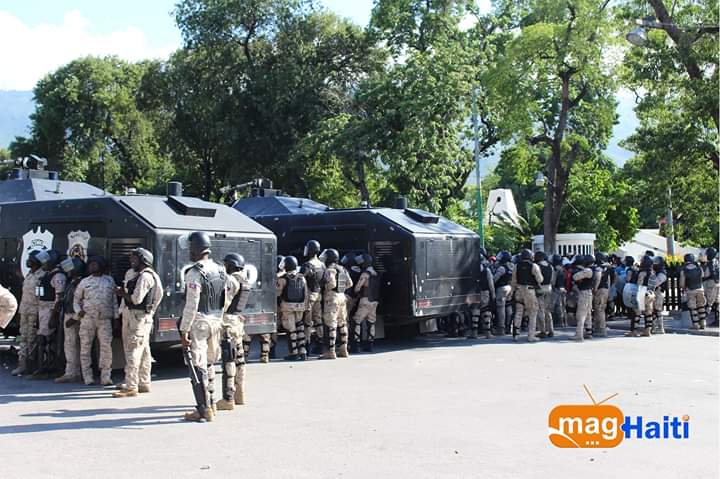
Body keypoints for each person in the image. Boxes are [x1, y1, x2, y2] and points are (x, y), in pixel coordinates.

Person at [179, 232, 227, 422]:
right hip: (216, 320)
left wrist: (184, 330)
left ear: (195, 249)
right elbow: (224, 299)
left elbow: (192, 304)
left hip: (199, 322)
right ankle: (212, 403)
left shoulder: (194, 272)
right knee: (209, 363)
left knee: (197, 366)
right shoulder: (220, 269)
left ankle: (203, 408)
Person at [113, 248, 163, 398]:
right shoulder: (148, 275)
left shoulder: (145, 277)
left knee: (132, 350)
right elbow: (159, 295)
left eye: (134, 259)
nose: (131, 262)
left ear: (143, 260)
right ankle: (143, 382)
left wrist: (122, 293)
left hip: (137, 317)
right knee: (144, 350)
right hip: (139, 317)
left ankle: (131, 386)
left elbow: (136, 299)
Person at [74, 256, 117, 386]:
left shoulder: (109, 281)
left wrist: (116, 318)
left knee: (106, 348)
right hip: (88, 319)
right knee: (85, 348)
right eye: (91, 264)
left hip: (104, 320)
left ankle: (106, 376)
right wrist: (78, 312)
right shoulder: (84, 282)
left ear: (101, 266)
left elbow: (114, 301)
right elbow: (76, 300)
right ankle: (87, 376)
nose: (92, 266)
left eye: (95, 264)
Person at [217, 253, 251, 410]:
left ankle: (228, 398)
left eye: (226, 264)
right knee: (240, 360)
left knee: (228, 360)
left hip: (228, 323)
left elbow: (224, 303)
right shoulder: (245, 280)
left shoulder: (231, 280)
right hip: (237, 323)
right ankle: (240, 393)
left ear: (231, 265)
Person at [31, 250, 67, 379]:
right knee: (42, 337)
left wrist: (54, 315)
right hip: (42, 309)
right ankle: (42, 366)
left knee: (47, 339)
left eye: (45, 262)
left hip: (50, 310)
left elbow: (59, 298)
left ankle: (49, 367)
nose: (43, 264)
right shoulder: (47, 275)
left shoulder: (58, 276)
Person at [54, 258, 86, 384]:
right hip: (69, 314)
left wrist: (74, 319)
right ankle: (75, 371)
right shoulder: (73, 282)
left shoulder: (80, 283)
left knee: (72, 345)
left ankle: (72, 373)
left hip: (74, 317)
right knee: (71, 345)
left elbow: (82, 304)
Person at [11, 251, 42, 376]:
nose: (28, 261)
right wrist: (20, 313)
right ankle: (22, 365)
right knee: (23, 338)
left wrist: (40, 315)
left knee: (32, 339)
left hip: (34, 312)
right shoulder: (29, 275)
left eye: (31, 259)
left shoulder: (41, 276)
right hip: (25, 311)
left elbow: (41, 298)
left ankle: (31, 366)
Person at [319, 249, 352, 359]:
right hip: (342, 296)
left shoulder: (330, 270)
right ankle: (344, 349)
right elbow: (350, 283)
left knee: (331, 324)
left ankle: (331, 351)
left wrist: (325, 287)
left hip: (332, 297)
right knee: (342, 323)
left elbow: (332, 284)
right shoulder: (343, 269)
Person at [276, 255, 308, 361]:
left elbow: (277, 293)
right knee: (300, 329)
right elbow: (305, 293)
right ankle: (303, 352)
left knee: (291, 330)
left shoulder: (283, 279)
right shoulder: (302, 277)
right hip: (300, 307)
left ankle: (293, 353)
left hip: (287, 307)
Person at [511, 249, 544, 342]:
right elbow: (540, 279)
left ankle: (516, 334)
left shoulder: (516, 266)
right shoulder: (534, 266)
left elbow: (513, 281)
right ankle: (531, 335)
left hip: (519, 290)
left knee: (518, 312)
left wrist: (513, 291)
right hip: (530, 291)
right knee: (532, 312)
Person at [300, 240, 325, 355]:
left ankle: (307, 346)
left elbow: (299, 280)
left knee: (307, 322)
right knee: (318, 320)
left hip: (309, 296)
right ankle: (320, 345)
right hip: (318, 294)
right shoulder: (322, 265)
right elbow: (325, 280)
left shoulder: (307, 265)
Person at [352, 253, 380, 351]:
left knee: (357, 321)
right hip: (374, 301)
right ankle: (370, 345)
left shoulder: (365, 274)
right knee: (371, 322)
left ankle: (356, 345)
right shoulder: (376, 273)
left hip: (365, 300)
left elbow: (357, 288)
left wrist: (355, 293)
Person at [468, 251, 495, 339]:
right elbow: (491, 284)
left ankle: (474, 333)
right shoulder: (487, 270)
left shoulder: (471, 270)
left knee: (475, 312)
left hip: (474, 292)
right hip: (485, 292)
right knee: (486, 312)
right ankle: (488, 333)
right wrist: (493, 295)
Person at [679, 253, 706, 330]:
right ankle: (703, 323)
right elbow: (702, 276)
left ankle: (696, 324)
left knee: (693, 307)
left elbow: (682, 284)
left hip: (690, 290)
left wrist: (683, 288)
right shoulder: (699, 267)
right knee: (701, 306)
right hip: (700, 289)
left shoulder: (684, 269)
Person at [572, 255, 595, 342]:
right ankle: (588, 332)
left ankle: (579, 335)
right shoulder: (592, 269)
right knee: (588, 313)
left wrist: (579, 270)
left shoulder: (588, 270)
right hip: (588, 293)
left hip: (584, 293)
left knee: (581, 314)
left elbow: (575, 277)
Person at [592, 252, 614, 337]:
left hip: (600, 290)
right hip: (605, 290)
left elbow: (598, 277)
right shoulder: (608, 268)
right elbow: (610, 279)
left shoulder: (599, 268)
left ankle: (601, 329)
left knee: (599, 309)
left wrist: (595, 288)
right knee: (601, 309)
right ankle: (599, 328)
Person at [534, 251, 555, 338]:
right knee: (547, 310)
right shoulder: (551, 266)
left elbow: (537, 279)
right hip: (549, 288)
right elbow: (553, 280)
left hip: (540, 289)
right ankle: (551, 330)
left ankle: (542, 331)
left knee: (540, 310)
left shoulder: (537, 266)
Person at [635, 255, 656, 337]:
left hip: (643, 291)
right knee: (648, 313)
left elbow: (639, 283)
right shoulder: (652, 273)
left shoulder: (642, 273)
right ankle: (648, 331)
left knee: (638, 312)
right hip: (651, 293)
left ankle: (635, 330)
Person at [493, 251, 513, 336]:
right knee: (508, 307)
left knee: (501, 308)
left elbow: (494, 279)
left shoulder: (502, 268)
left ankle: (501, 329)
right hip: (510, 287)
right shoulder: (512, 266)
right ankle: (509, 327)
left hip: (502, 288)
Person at [701, 248, 719, 326]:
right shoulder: (717, 262)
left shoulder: (710, 263)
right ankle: (718, 319)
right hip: (718, 283)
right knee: (717, 301)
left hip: (711, 284)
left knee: (709, 303)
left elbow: (707, 275)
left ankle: (703, 321)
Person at [652, 257, 668, 334]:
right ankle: (653, 328)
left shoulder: (662, 273)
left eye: (656, 262)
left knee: (658, 310)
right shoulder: (657, 272)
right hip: (655, 292)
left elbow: (655, 283)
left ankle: (661, 328)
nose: (654, 263)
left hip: (658, 292)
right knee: (653, 311)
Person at [550, 254, 567, 328]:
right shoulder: (562, 269)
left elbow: (553, 281)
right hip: (563, 289)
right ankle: (564, 322)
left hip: (556, 289)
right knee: (563, 306)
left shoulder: (555, 269)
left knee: (556, 306)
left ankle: (558, 322)